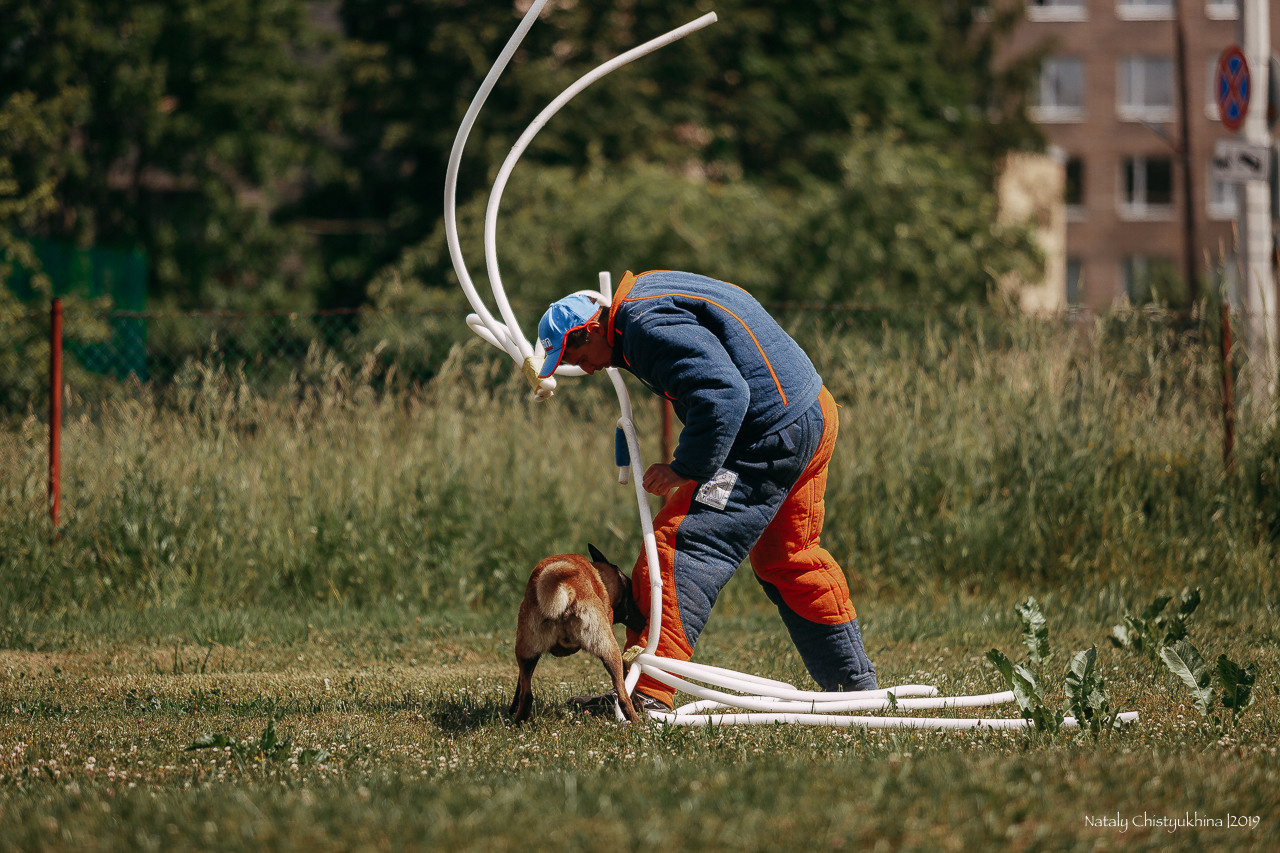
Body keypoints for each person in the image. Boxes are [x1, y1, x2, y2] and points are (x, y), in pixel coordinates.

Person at [536, 269, 876, 713]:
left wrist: (685, 468)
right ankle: (855, 690)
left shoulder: (644, 327)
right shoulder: (645, 295)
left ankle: (646, 696)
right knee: (788, 556)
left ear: (592, 327)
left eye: (578, 353)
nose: (584, 366)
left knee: (678, 548)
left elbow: (724, 394)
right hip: (810, 411)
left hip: (769, 436)